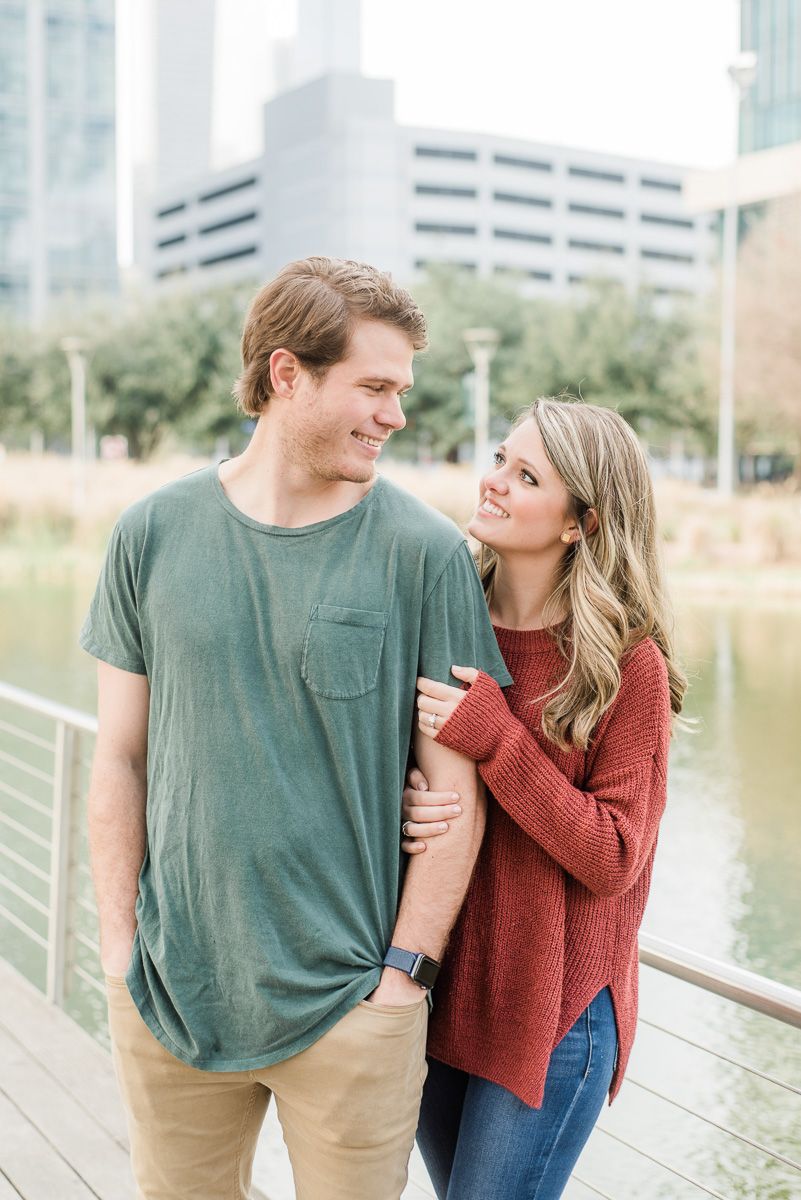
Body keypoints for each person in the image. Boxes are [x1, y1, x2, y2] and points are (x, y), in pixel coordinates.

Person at [80, 256, 512, 1200]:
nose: (395, 415)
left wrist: (402, 981)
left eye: (401, 390)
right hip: (171, 995)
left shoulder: (424, 553)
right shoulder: (149, 534)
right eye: (374, 387)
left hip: (353, 1005)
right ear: (287, 374)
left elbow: (455, 790)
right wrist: (120, 954)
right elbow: (119, 758)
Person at [400, 397, 685, 1200]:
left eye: (525, 476)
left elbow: (613, 857)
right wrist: (407, 804)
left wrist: (498, 741)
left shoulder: (628, 667)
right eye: (499, 458)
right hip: (440, 991)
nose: (492, 482)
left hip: (554, 1015)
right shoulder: (447, 614)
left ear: (580, 523)